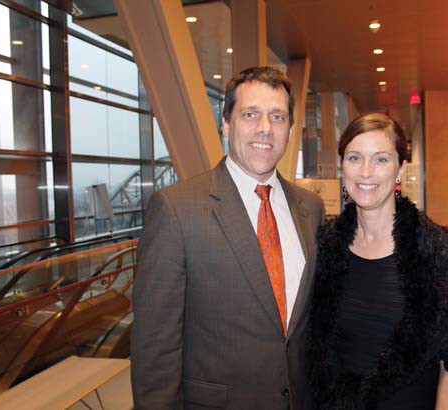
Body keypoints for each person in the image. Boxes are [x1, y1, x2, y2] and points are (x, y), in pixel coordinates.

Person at [131, 66, 325, 410]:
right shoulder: (176, 210)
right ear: (226, 124)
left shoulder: (310, 208)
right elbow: (155, 349)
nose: (265, 128)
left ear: (290, 130)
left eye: (277, 117)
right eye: (250, 114)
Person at [307, 113, 448, 409]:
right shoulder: (327, 245)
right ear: (343, 167)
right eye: (355, 158)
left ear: (400, 170)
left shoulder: (433, 248)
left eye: (381, 159)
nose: (366, 172)